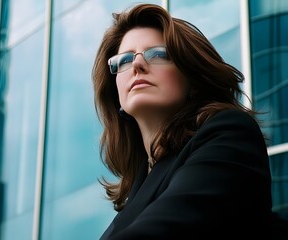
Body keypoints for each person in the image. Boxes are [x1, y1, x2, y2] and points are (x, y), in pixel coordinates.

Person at [92, 3, 287, 239]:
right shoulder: (139, 189)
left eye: (158, 54)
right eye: (123, 60)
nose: (137, 64)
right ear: (117, 96)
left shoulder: (229, 133)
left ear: (193, 79)